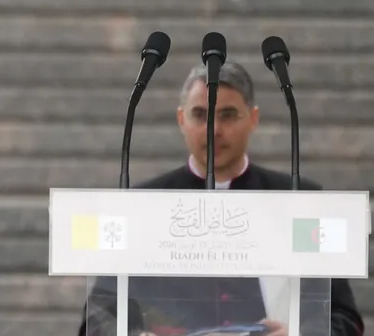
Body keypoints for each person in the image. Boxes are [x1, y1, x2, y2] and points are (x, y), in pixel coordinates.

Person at [77, 62, 364, 336]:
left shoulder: (300, 201)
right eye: (200, 114)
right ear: (181, 119)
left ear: (253, 118)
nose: (214, 129)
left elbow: (344, 318)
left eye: (228, 115)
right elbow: (97, 320)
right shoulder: (143, 206)